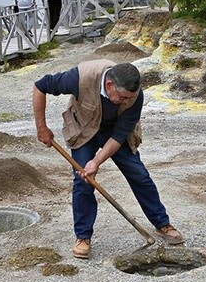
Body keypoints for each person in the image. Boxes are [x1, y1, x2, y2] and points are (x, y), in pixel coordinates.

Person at [32, 60, 184, 259]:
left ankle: (162, 224)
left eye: (129, 98)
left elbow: (120, 135)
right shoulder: (79, 78)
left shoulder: (134, 96)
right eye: (122, 98)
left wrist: (96, 161)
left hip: (114, 132)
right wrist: (41, 127)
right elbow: (40, 86)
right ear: (110, 85)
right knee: (83, 181)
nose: (126, 102)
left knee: (139, 175)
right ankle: (83, 237)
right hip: (84, 129)